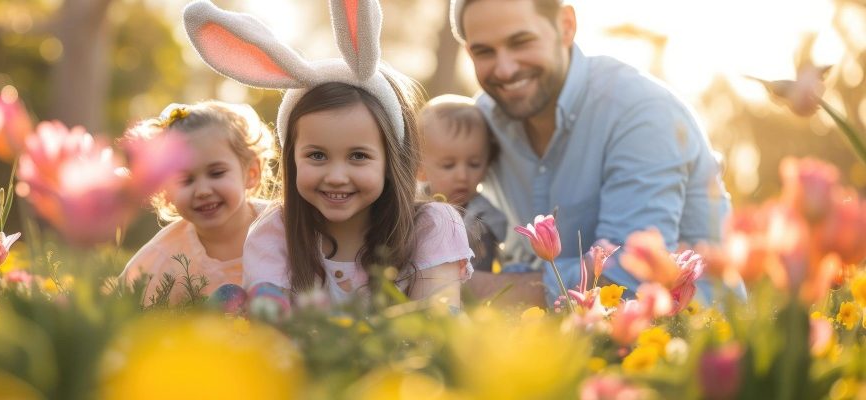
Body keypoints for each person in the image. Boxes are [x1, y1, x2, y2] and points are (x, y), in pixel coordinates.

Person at [182, 0, 473, 308]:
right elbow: (273, 333)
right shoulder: (273, 234)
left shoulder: (432, 225)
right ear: (292, 158)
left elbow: (437, 325)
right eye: (317, 156)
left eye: (358, 156)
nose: (336, 177)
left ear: (391, 159)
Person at [450, 0, 730, 305]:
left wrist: (468, 289)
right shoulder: (483, 121)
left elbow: (628, 280)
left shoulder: (641, 112)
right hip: (556, 342)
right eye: (484, 51)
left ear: (566, 26)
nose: (504, 69)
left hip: (692, 340)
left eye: (521, 42)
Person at [120, 101, 275, 306]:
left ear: (251, 173)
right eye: (186, 180)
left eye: (216, 173)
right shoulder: (161, 259)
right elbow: (124, 315)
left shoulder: (284, 227)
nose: (202, 191)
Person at [417, 95, 507, 277]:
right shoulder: (409, 208)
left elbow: (477, 277)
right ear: (419, 168)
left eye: (474, 164)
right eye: (448, 165)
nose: (463, 176)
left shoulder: (482, 219)